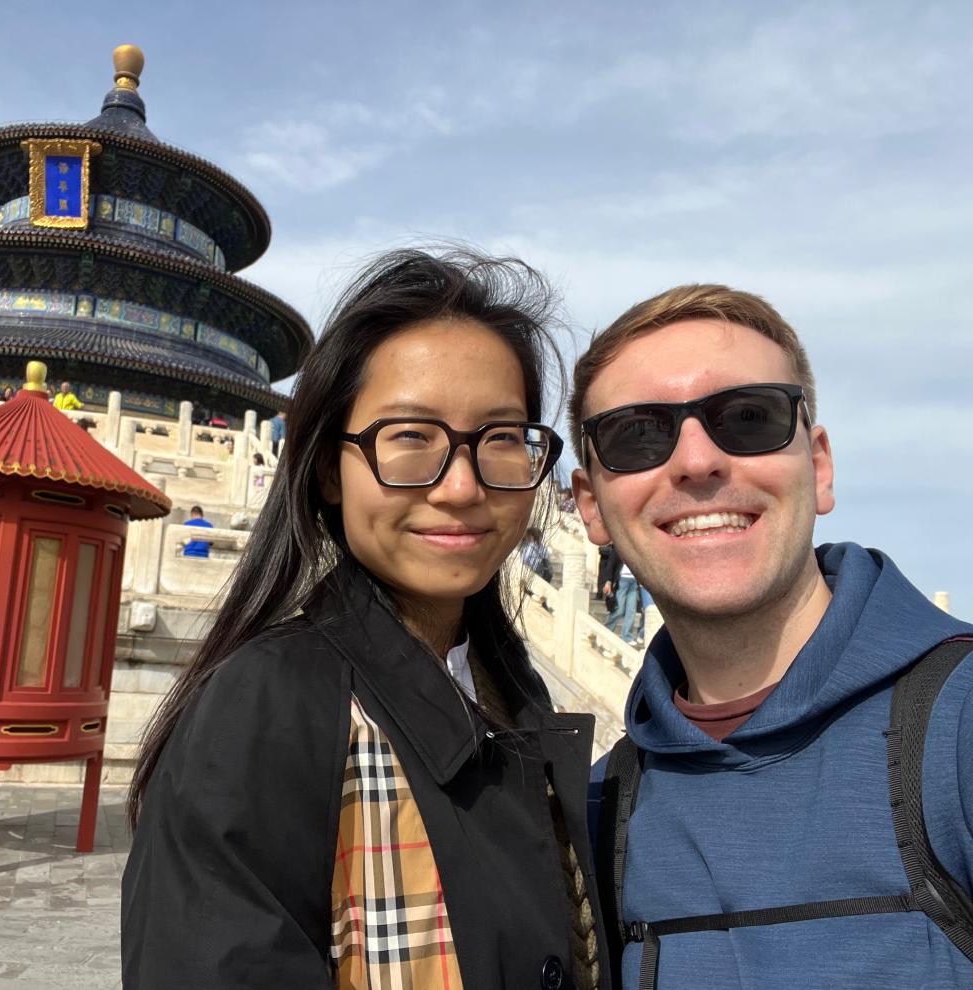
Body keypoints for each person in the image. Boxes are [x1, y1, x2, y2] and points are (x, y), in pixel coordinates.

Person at [123, 250, 606, 989]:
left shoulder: (510, 693)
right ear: (327, 470)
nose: (461, 486)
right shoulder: (271, 703)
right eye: (410, 437)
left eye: (502, 437)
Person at [571, 284, 973, 988]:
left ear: (818, 466)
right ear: (590, 507)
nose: (697, 461)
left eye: (748, 419)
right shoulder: (603, 814)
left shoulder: (957, 729)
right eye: (638, 434)